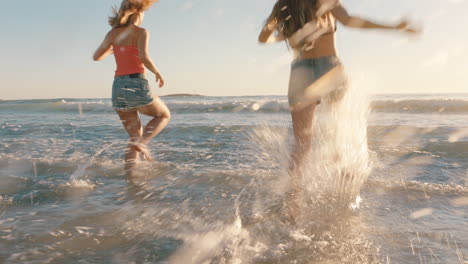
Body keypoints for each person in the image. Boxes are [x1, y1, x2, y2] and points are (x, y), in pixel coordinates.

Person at [258, 0, 418, 218]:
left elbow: (263, 39)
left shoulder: (284, 4)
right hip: (329, 70)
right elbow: (351, 21)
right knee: (340, 136)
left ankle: (292, 205)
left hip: (300, 73)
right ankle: (345, 199)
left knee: (302, 145)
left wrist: (287, 37)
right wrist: (393, 27)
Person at [93, 0, 170, 182]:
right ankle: (142, 144)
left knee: (133, 136)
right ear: (137, 13)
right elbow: (143, 56)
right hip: (136, 83)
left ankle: (131, 179)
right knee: (163, 116)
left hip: (118, 87)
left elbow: (96, 56)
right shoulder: (141, 32)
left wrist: (114, 48)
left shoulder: (112, 34)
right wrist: (157, 72)